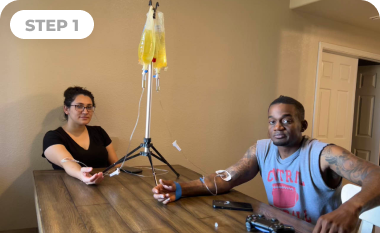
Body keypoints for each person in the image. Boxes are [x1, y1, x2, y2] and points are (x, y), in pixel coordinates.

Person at [152, 96, 380, 233]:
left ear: (303, 125)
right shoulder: (261, 149)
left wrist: (350, 208)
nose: (277, 127)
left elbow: (376, 175)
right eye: (272, 121)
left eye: (287, 120)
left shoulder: (323, 154)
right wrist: (181, 189)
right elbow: (226, 178)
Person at [42, 86, 119, 185]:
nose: (85, 111)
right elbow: (67, 161)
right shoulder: (52, 137)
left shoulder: (99, 132)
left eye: (89, 107)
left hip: (104, 187)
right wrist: (83, 176)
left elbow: (115, 164)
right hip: (68, 192)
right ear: (66, 109)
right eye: (79, 106)